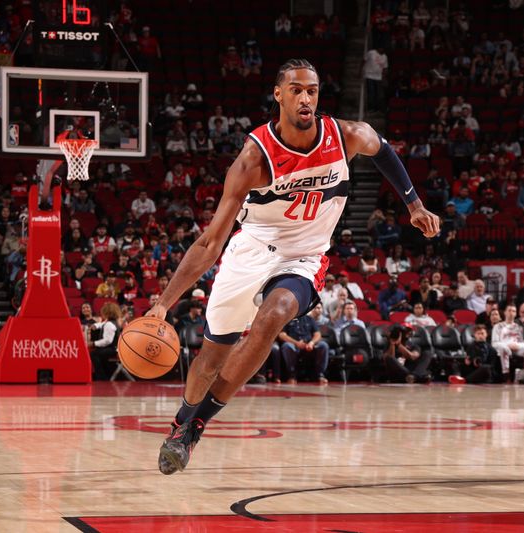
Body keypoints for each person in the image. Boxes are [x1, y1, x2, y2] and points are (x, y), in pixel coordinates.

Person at [146, 59, 440, 475]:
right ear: (278, 94)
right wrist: (163, 304)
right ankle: (182, 418)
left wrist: (414, 205)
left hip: (303, 256)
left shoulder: (346, 136)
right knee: (210, 358)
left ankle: (196, 426)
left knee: (275, 314)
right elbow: (211, 242)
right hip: (249, 251)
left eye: (313, 91)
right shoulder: (254, 158)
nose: (306, 98)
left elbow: (384, 150)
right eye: (297, 90)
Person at [278, 313, 329, 385]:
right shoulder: (287, 319)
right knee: (287, 346)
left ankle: (320, 375)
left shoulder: (310, 319)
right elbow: (281, 335)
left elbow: (318, 334)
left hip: (309, 346)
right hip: (294, 345)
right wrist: (296, 343)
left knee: (323, 345)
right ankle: (292, 375)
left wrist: (311, 343)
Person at [492, 304, 524, 382]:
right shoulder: (498, 326)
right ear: (505, 312)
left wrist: (518, 345)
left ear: (516, 314)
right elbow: (494, 342)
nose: (511, 313)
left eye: (513, 311)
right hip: (502, 347)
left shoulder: (518, 327)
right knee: (504, 349)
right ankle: (506, 374)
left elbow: (523, 342)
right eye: (509, 310)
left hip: (516, 348)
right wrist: (507, 346)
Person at [87, 302, 122, 380]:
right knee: (97, 353)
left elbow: (107, 341)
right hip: (114, 348)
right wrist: (95, 325)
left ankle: (101, 377)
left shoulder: (109, 324)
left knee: (94, 354)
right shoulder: (111, 323)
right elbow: (102, 324)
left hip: (112, 349)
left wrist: (93, 343)